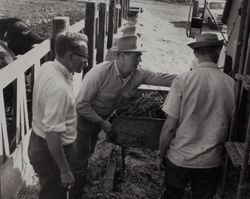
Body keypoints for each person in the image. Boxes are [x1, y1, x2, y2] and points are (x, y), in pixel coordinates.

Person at [73, 34, 176, 193]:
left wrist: (191, 77)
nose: (139, 60)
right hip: (83, 121)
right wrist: (102, 123)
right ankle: (74, 192)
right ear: (122, 56)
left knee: (88, 155)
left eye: (140, 56)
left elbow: (163, 79)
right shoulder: (99, 73)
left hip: (99, 121)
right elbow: (80, 104)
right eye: (137, 56)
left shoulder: (138, 74)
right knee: (79, 160)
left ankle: (80, 185)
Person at [157, 33, 235, 199]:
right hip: (211, 161)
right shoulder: (232, 84)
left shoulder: (183, 80)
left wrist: (160, 154)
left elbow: (170, 126)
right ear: (218, 52)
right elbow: (232, 125)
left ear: (196, 53)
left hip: (180, 158)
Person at [28, 31, 88, 199]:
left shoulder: (48, 66)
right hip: (50, 151)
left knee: (49, 189)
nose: (86, 61)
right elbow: (52, 134)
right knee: (54, 194)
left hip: (37, 140)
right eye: (84, 56)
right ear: (70, 56)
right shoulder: (59, 88)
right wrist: (64, 169)